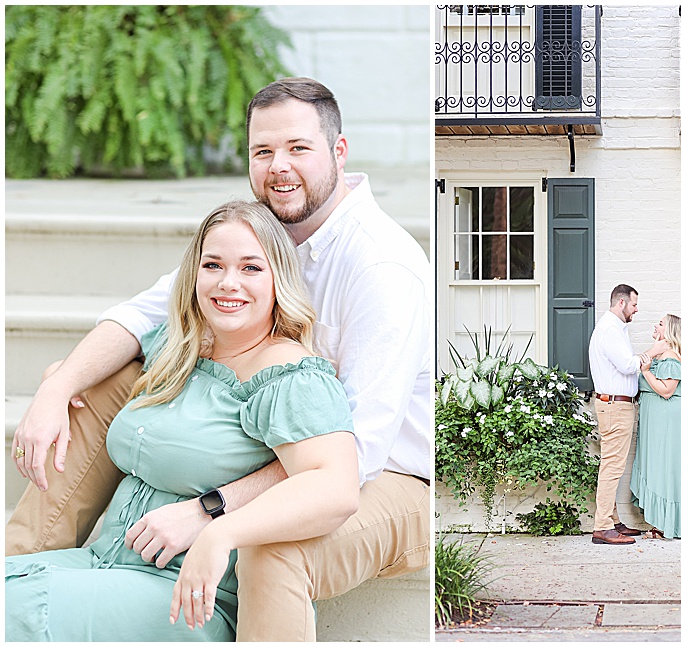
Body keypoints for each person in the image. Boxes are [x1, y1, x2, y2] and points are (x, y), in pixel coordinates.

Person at [7, 78, 431, 641]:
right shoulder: (262, 229)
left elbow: (352, 458)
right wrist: (59, 389)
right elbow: (145, 315)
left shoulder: (382, 268)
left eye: (298, 148)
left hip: (389, 479)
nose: (279, 167)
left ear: (338, 151)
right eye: (263, 151)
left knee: (271, 548)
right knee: (105, 381)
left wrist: (212, 509)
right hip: (279, 438)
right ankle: (23, 560)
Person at [7, 201, 359, 640]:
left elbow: (336, 487)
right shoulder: (181, 349)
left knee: (14, 607)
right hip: (104, 562)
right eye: (213, 265)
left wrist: (218, 530)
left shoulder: (288, 375)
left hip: (181, 596)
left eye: (251, 268)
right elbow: (112, 357)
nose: (228, 282)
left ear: (278, 281)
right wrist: (58, 382)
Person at [588, 284, 667, 546]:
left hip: (617, 405)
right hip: (615, 406)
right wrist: (653, 352)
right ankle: (602, 527)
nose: (636, 309)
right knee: (612, 466)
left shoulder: (614, 328)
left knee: (613, 465)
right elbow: (628, 365)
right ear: (621, 303)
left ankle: (612, 520)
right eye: (634, 305)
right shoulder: (610, 329)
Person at [630, 314, 681, 539]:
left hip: (666, 421)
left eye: (660, 323)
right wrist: (653, 351)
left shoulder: (671, 359)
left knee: (665, 469)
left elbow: (666, 391)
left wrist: (646, 371)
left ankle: (667, 526)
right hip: (655, 420)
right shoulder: (661, 356)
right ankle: (661, 523)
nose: (654, 325)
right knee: (657, 468)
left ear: (671, 332)